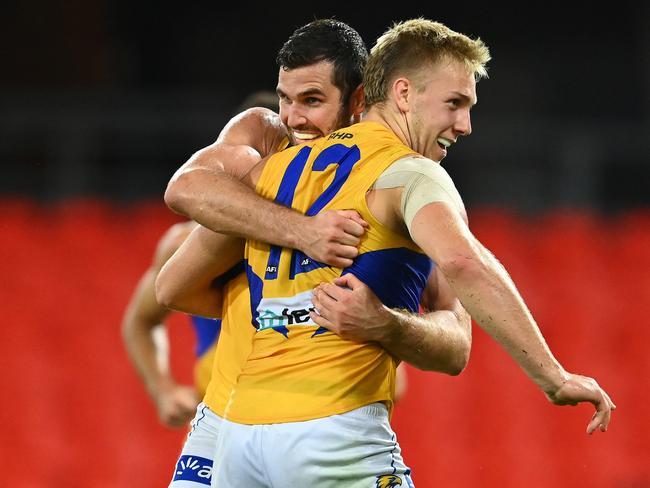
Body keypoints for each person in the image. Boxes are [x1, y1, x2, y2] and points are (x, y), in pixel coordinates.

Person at [158, 18, 615, 487]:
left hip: (237, 435)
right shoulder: (407, 174)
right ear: (401, 93)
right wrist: (554, 377)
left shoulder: (270, 173)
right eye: (454, 104)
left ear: (356, 98)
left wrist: (303, 313)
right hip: (332, 429)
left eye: (312, 100)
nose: (466, 125)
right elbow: (463, 263)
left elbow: (173, 285)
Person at [158, 19, 472, 487]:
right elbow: (182, 207)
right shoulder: (264, 145)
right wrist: (300, 233)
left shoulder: (397, 186)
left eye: (311, 101)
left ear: (360, 100)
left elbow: (455, 342)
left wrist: (387, 324)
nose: (291, 118)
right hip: (228, 416)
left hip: (318, 415)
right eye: (284, 98)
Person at [121, 91, 281, 428]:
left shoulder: (319, 232)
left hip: (305, 411)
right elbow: (140, 321)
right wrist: (162, 390)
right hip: (223, 417)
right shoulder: (184, 242)